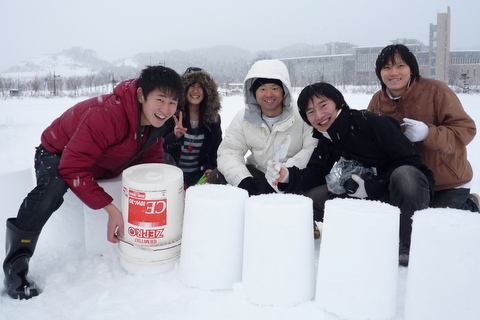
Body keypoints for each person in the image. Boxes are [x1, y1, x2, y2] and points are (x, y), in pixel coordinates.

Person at [3, 65, 184, 299]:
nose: (166, 109)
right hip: (58, 153)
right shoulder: (108, 115)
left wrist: (179, 194)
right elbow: (72, 166)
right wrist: (109, 208)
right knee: (53, 188)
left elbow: (154, 160)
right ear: (141, 95)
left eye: (172, 102)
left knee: (166, 166)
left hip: (103, 160)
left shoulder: (154, 124)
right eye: (160, 99)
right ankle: (15, 265)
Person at [266, 82, 434, 266]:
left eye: (323, 105)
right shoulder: (326, 137)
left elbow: (411, 158)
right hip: (366, 196)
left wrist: (371, 186)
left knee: (406, 176)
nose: (319, 115)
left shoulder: (371, 122)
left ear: (338, 102)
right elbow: (317, 172)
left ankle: (407, 244)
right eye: (311, 112)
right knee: (312, 199)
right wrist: (288, 176)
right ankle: (365, 233)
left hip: (398, 190)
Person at [367, 44, 479, 212]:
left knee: (435, 227)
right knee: (405, 223)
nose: (394, 73)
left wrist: (428, 133)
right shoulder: (377, 101)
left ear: (411, 69)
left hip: (446, 182)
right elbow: (370, 141)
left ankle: (471, 204)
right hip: (405, 181)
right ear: (380, 73)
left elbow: (465, 130)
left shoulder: (437, 91)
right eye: (387, 67)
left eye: (400, 66)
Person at [209, 59, 318, 197]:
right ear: (253, 93)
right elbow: (229, 152)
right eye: (262, 89)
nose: (268, 94)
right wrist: (243, 180)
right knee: (217, 175)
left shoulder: (302, 115)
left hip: (294, 177)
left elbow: (311, 150)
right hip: (259, 175)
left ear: (284, 91)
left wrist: (282, 175)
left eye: (274, 88)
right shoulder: (244, 118)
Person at [163, 67, 222, 187]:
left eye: (200, 86)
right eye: (191, 85)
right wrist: (174, 137)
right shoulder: (170, 115)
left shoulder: (212, 119)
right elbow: (159, 148)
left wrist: (210, 167)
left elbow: (217, 149)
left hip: (199, 177)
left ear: (207, 91)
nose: (195, 91)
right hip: (171, 177)